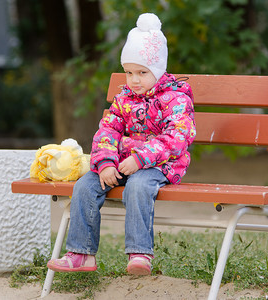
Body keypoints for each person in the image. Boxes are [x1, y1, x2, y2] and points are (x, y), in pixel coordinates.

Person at [47, 12, 196, 276]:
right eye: (129, 72)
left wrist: (140, 159)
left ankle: (140, 253)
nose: (134, 79)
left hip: (159, 165)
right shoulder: (123, 99)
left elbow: (177, 137)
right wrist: (104, 162)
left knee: (138, 186)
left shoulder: (175, 98)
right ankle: (81, 254)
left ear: (158, 70)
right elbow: (107, 130)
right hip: (121, 165)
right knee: (85, 185)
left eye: (142, 72)